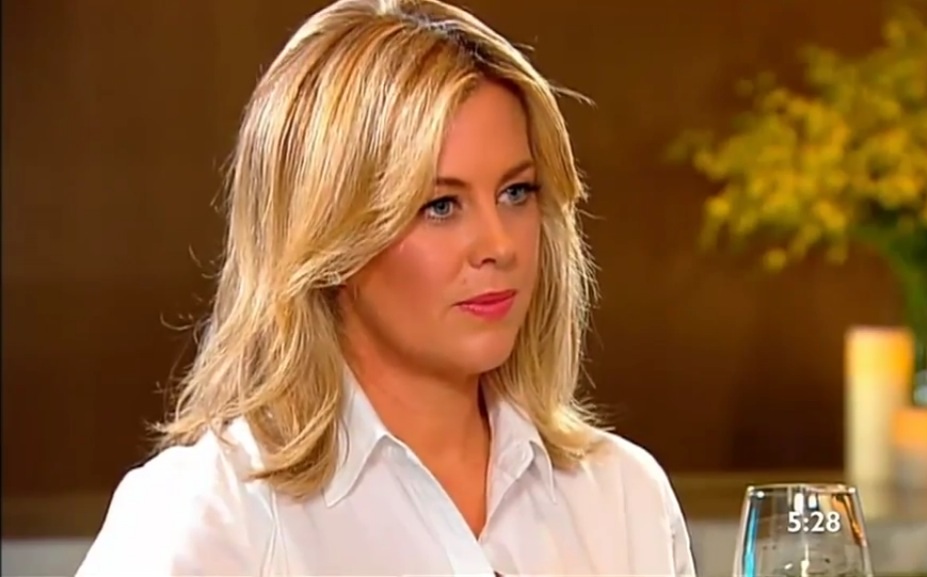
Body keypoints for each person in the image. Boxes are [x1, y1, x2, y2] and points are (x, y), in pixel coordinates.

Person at [76, 0, 697, 575]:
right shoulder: (212, 516)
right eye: (440, 206)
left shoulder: (622, 498)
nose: (499, 245)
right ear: (331, 235)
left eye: (516, 192)